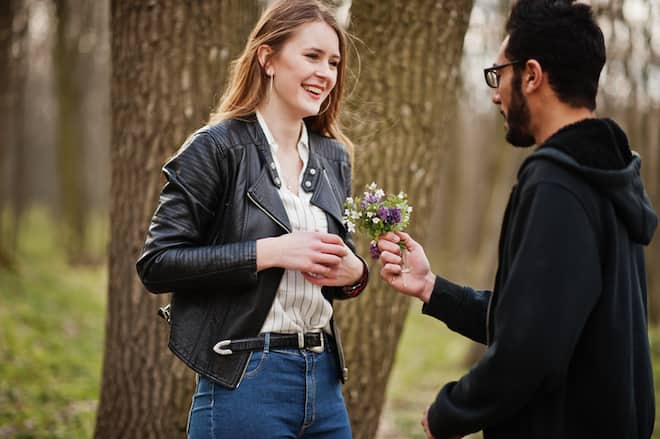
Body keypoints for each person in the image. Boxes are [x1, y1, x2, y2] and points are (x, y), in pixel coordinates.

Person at [377, 0, 657, 437]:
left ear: (531, 75)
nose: (494, 92)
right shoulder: (607, 175)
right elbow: (538, 316)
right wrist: (432, 289)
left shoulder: (558, 182)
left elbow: (531, 347)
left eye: (498, 74)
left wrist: (451, 411)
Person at [135, 1, 369, 437]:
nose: (326, 73)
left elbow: (336, 270)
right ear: (268, 58)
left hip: (325, 381)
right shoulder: (216, 148)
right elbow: (157, 263)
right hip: (245, 377)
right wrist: (271, 252)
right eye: (312, 56)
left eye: (334, 62)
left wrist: (355, 272)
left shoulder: (334, 155)